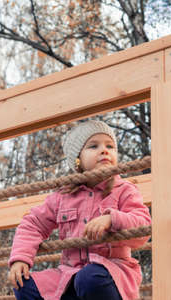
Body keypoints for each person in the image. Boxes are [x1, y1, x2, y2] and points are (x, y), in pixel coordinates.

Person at [8, 120, 151, 300]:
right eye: (93, 146)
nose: (104, 150)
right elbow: (33, 223)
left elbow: (143, 228)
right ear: (78, 160)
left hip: (109, 274)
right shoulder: (63, 196)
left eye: (110, 146)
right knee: (23, 284)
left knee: (89, 277)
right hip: (69, 275)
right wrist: (20, 258)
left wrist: (111, 219)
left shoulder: (125, 190)